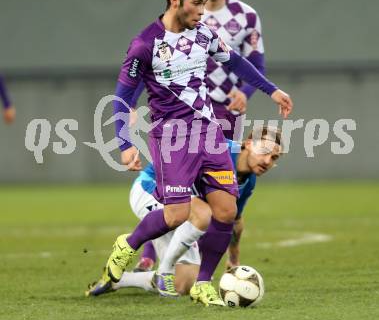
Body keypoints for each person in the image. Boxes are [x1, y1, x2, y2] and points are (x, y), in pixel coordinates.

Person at [98, 0, 292, 306]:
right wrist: (124, 144)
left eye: (205, 3)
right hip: (171, 139)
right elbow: (122, 97)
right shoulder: (144, 45)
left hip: (209, 134)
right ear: (175, 1)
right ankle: (126, 245)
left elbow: (236, 62)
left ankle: (203, 283)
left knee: (226, 211)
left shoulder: (202, 34)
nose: (203, 10)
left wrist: (271, 90)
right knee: (175, 216)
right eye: (197, 3)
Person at [86, 126, 283, 298]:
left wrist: (233, 258)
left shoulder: (249, 181)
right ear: (248, 144)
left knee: (184, 284)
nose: (267, 161)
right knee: (203, 214)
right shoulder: (219, 148)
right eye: (264, 151)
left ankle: (117, 279)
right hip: (152, 188)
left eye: (274, 157)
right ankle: (160, 268)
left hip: (184, 207)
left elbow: (234, 220)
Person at [195, 0, 267, 140]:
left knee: (226, 169)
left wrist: (245, 93)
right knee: (180, 168)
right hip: (187, 107)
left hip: (228, 108)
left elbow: (257, 64)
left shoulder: (246, 16)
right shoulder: (183, 14)